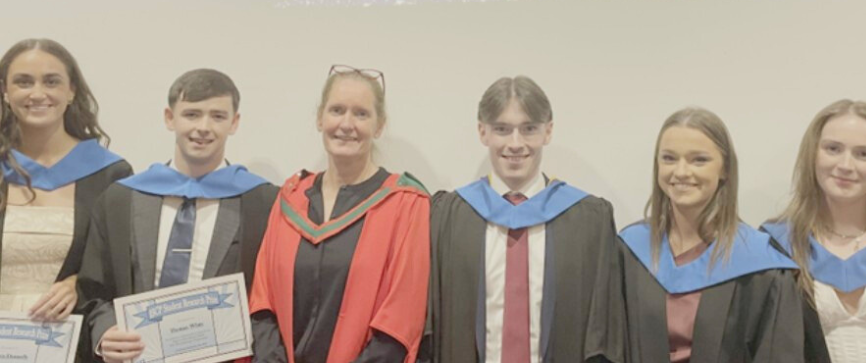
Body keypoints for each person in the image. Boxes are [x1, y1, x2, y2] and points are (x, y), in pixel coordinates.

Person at [78, 68, 278, 363]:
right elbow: (93, 287)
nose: (204, 127)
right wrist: (105, 331)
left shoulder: (261, 202)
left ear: (234, 123)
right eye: (192, 114)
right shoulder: (121, 200)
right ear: (169, 118)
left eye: (218, 116)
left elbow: (271, 296)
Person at [424, 75, 624, 363]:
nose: (515, 144)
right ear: (483, 132)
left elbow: (604, 333)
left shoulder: (588, 221)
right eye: (502, 129)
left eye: (529, 129)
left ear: (548, 131)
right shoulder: (448, 218)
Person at [249, 65, 430, 363]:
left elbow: (401, 319)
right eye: (337, 110)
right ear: (320, 118)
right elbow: (262, 301)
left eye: (361, 114)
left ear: (379, 125)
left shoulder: (405, 204)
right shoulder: (290, 199)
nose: (347, 124)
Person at [618, 107, 804, 363]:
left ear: (725, 169)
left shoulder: (760, 266)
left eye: (699, 160)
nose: (681, 172)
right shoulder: (628, 251)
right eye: (669, 158)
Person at [762, 100, 866, 363]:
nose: (846, 165)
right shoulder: (777, 245)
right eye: (833, 149)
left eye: (864, 154)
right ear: (812, 154)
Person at [0, 38, 131, 324]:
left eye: (51, 82)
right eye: (23, 82)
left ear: (71, 90)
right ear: (5, 92)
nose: (37, 93)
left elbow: (119, 264)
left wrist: (78, 283)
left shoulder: (110, 175)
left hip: (70, 336)